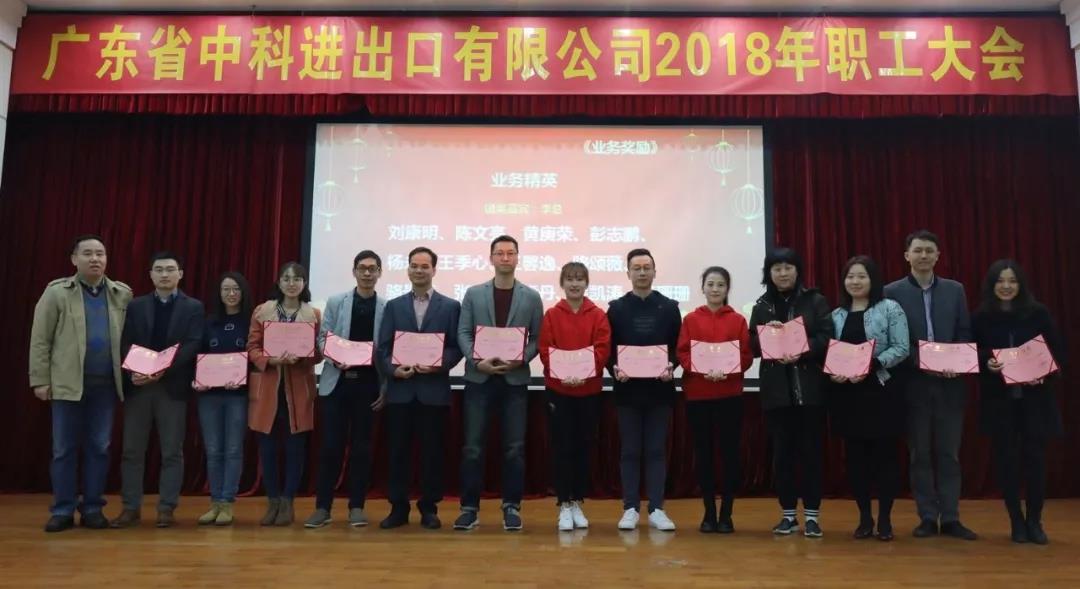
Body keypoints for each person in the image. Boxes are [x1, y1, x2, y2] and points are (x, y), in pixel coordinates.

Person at [29, 235, 132, 533]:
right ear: (74, 259)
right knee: (64, 449)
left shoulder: (121, 294)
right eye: (87, 253)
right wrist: (39, 379)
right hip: (67, 384)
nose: (95, 259)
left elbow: (132, 338)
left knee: (99, 447)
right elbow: (40, 340)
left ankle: (92, 508)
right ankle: (62, 509)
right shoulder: (57, 293)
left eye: (100, 253)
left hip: (106, 386)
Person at [884, 230, 977, 540]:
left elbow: (964, 331)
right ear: (906, 256)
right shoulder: (891, 293)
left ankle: (950, 517)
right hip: (914, 385)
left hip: (951, 385)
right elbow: (893, 340)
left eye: (929, 251)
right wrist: (925, 361)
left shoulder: (955, 290)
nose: (923, 256)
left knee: (949, 454)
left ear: (938, 256)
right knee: (920, 454)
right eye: (918, 250)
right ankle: (926, 516)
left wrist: (956, 362)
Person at [972, 259, 1065, 545]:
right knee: (1007, 463)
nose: (1006, 286)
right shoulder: (981, 317)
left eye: (1012, 281)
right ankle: (1016, 521)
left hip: (1035, 401)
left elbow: (1057, 351)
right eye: (1000, 281)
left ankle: (1035, 520)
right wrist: (988, 361)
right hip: (1000, 403)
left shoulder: (1038, 313)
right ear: (992, 285)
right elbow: (972, 353)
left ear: (1021, 284)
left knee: (1035, 462)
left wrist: (1044, 374)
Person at [454, 235, 543, 531]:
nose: (505, 258)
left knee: (514, 448)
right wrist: (476, 360)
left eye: (510, 253)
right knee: (473, 448)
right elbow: (463, 332)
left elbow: (537, 338)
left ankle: (511, 507)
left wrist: (520, 359)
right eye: (500, 253)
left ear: (517, 258)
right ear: (491, 258)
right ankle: (469, 508)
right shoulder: (473, 294)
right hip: (479, 379)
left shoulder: (531, 297)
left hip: (514, 381)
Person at [111, 251, 204, 529]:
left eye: (170, 269)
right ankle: (130, 508)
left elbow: (193, 343)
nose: (164, 274)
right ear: (150, 274)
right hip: (139, 386)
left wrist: (163, 369)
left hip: (172, 387)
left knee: (172, 451)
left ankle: (166, 508)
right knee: (131, 450)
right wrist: (137, 370)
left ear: (180, 274)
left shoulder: (193, 307)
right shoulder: (136, 306)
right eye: (159, 269)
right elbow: (125, 341)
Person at [377, 246, 464, 530]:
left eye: (425, 266)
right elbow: (384, 348)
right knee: (397, 453)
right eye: (414, 265)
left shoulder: (450, 306)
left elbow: (456, 347)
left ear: (434, 270)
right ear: (408, 269)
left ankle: (429, 508)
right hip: (401, 392)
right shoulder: (394, 306)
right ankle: (398, 508)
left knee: (432, 454)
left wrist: (438, 364)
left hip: (433, 392)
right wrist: (394, 370)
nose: (419, 270)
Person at [748, 247, 831, 538]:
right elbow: (752, 346)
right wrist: (766, 335)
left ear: (797, 270)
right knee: (782, 456)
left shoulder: (815, 300)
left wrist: (802, 347)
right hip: (776, 393)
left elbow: (827, 337)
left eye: (788, 267)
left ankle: (812, 516)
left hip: (809, 391)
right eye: (777, 269)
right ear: (768, 273)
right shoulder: (762, 306)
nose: (783, 274)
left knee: (811, 454)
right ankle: (788, 515)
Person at [826, 256, 910, 542]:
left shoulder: (890, 308)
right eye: (850, 276)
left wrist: (872, 364)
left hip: (881, 393)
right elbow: (830, 353)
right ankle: (864, 518)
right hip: (848, 396)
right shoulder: (836, 315)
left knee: (886, 458)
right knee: (856, 460)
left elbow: (901, 347)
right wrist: (833, 372)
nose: (855, 281)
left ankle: (885, 519)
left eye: (861, 276)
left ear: (873, 280)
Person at [305, 251, 386, 529]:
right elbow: (322, 338)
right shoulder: (337, 301)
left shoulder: (386, 307)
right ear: (354, 271)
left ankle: (357, 507)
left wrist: (385, 386)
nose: (367, 273)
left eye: (372, 269)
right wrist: (333, 355)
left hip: (368, 384)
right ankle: (322, 508)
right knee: (330, 447)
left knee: (362, 448)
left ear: (379, 273)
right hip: (337, 383)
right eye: (362, 268)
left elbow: (386, 349)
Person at [607, 248, 681, 532]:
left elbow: (678, 346)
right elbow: (608, 349)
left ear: (654, 271)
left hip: (659, 390)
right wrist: (614, 367)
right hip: (627, 391)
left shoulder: (669, 307)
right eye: (636, 268)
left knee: (655, 450)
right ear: (628, 273)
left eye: (646, 267)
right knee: (629, 450)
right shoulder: (617, 308)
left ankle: (657, 508)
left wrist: (672, 364)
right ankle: (630, 508)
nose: (641, 272)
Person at [675, 266, 753, 534]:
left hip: (729, 395)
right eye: (710, 284)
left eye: (720, 284)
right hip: (698, 395)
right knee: (703, 455)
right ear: (703, 288)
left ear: (727, 289)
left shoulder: (738, 320)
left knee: (730, 455)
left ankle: (727, 514)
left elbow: (746, 356)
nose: (715, 289)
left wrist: (728, 370)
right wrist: (700, 369)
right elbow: (683, 352)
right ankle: (709, 513)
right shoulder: (691, 319)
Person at [538, 261, 611, 531]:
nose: (575, 283)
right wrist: (562, 374)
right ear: (562, 283)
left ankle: (577, 500)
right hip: (559, 390)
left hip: (588, 390)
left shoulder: (598, 315)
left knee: (583, 446)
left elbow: (602, 349)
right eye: (569, 278)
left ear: (587, 283)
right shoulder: (551, 315)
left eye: (580, 278)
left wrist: (585, 373)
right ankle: (564, 504)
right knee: (562, 447)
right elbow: (545, 349)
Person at [247, 262, 322, 527]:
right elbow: (252, 347)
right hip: (268, 388)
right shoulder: (262, 311)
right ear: (279, 282)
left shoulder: (313, 314)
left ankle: (288, 501)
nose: (291, 284)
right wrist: (271, 360)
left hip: (298, 389)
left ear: (304, 283)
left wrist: (303, 356)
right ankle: (273, 502)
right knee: (267, 449)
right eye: (286, 279)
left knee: (295, 449)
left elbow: (319, 353)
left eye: (297, 279)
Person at [193, 272, 253, 527]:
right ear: (219, 293)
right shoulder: (209, 322)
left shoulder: (251, 322)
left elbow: (255, 359)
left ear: (243, 292)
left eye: (236, 289)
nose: (231, 294)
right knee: (213, 449)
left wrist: (241, 378)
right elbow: (198, 355)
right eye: (226, 289)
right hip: (209, 396)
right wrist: (198, 379)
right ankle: (215, 502)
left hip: (237, 395)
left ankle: (227, 502)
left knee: (233, 449)